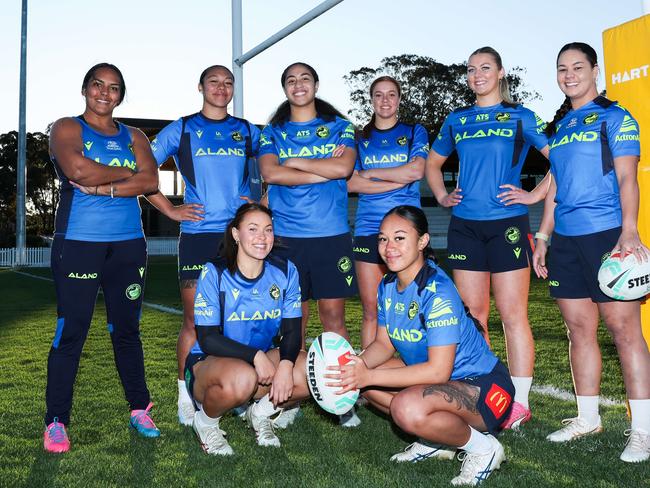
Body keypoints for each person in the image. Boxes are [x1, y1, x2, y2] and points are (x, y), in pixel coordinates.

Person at [330, 205, 514, 486]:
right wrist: (357, 366)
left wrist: (369, 374)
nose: (389, 247)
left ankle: (483, 448)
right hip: (436, 376)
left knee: (407, 409)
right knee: (359, 379)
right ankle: (437, 437)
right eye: (383, 238)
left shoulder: (437, 291)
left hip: (484, 387)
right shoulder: (387, 284)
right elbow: (382, 343)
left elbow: (439, 372)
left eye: (399, 238)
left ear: (422, 241)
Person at [533, 42, 650, 462]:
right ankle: (587, 417)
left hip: (607, 237)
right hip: (565, 241)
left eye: (577, 67)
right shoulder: (561, 126)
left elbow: (627, 179)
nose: (569, 75)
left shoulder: (615, 117)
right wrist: (544, 237)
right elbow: (555, 188)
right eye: (562, 68)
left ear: (594, 70)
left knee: (624, 332)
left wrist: (629, 232)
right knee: (578, 331)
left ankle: (643, 431)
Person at [425, 46, 550, 429]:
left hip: (507, 225)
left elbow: (559, 161)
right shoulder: (456, 120)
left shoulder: (520, 116)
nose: (477, 75)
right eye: (471, 69)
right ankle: (484, 394)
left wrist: (534, 194)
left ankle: (520, 403)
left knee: (513, 316)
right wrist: (443, 195)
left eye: (485, 68)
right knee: (474, 317)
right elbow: (433, 163)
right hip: (464, 227)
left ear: (500, 72)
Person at [43, 63, 160, 453]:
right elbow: (76, 168)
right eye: (98, 85)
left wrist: (105, 184)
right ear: (85, 89)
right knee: (71, 331)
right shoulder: (67, 127)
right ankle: (56, 421)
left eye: (113, 87)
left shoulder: (135, 135)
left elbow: (152, 181)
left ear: (120, 95)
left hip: (128, 244)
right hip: (78, 241)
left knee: (126, 330)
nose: (104, 93)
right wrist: (127, 174)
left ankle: (139, 408)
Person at [147, 64, 261, 426]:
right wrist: (169, 209)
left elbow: (281, 155)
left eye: (228, 82)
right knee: (195, 320)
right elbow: (142, 167)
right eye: (214, 82)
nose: (221, 88)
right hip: (198, 236)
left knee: (235, 318)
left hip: (238, 237)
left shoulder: (245, 130)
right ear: (200, 87)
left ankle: (238, 390)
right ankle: (184, 391)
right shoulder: (182, 128)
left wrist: (262, 200)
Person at [258, 62, 359, 427]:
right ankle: (294, 398)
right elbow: (270, 173)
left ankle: (342, 397)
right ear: (284, 88)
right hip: (287, 240)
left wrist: (296, 161)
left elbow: (344, 169)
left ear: (316, 84)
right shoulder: (272, 131)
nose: (298, 85)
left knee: (334, 320)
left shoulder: (341, 127)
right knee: (294, 324)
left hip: (330, 237)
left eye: (304, 78)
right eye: (290, 80)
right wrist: (321, 166)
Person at [185, 203, 308, 455]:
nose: (262, 237)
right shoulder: (215, 272)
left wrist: (285, 364)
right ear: (235, 234)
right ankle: (205, 422)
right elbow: (207, 339)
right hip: (209, 364)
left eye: (268, 230)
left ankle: (260, 413)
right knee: (243, 377)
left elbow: (293, 330)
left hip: (260, 365)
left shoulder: (285, 272)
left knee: (311, 370)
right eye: (252, 229)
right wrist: (255, 356)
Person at [348, 76, 429, 348]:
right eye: (379, 95)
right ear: (371, 100)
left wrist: (371, 174)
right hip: (369, 229)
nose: (385, 100)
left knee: (414, 309)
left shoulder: (415, 131)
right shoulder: (358, 139)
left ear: (399, 99)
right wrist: (398, 180)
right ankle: (369, 381)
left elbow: (417, 170)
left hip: (407, 229)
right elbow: (350, 183)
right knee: (372, 311)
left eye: (391, 94)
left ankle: (414, 372)